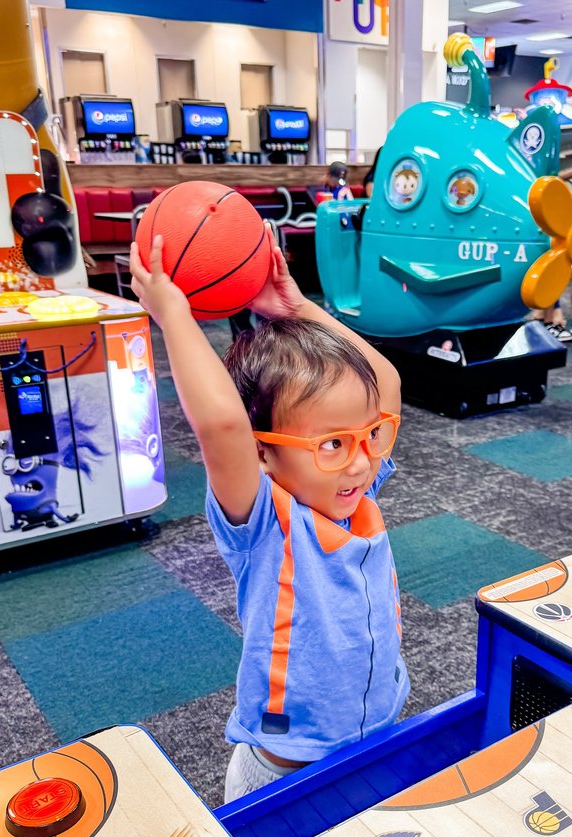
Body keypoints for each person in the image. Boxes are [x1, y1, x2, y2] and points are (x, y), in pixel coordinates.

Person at [129, 226, 408, 803]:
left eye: (368, 437)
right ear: (264, 451)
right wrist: (173, 315)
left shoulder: (355, 485)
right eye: (331, 444)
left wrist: (301, 310)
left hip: (379, 734)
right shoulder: (265, 522)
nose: (360, 463)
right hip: (287, 770)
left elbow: (387, 383)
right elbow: (224, 424)